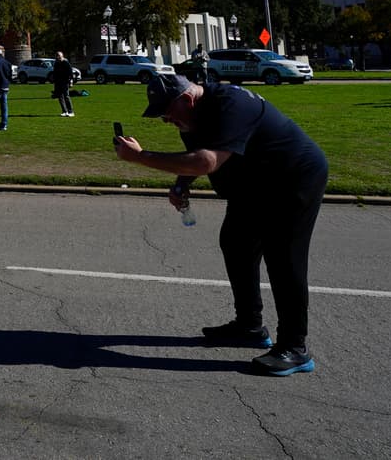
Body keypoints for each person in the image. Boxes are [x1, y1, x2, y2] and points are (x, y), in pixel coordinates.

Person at [112, 74, 328, 377]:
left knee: (283, 258)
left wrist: (140, 157)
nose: (166, 120)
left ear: (187, 99)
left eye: (167, 112)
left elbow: (206, 161)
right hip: (254, 184)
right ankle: (249, 326)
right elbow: (193, 158)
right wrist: (181, 184)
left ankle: (295, 347)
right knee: (236, 243)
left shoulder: (231, 104)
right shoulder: (191, 116)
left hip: (292, 178)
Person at [53, 51, 75, 117]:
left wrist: (71, 82)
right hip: (58, 82)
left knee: (66, 96)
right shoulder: (56, 64)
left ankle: (71, 112)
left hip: (65, 82)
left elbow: (70, 73)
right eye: (57, 56)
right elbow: (55, 74)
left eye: (59, 56)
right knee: (60, 97)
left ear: (62, 56)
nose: (58, 57)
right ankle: (64, 111)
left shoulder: (66, 63)